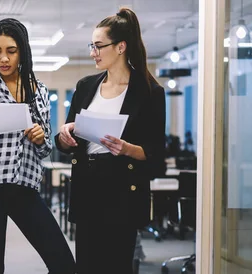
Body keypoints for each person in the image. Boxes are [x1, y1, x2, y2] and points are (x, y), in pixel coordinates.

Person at [55, 7, 166, 274]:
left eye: (98, 46)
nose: (93, 52)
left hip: (121, 188)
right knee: (87, 265)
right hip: (87, 184)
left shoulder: (150, 92)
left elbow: (156, 155)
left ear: (120, 47)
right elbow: (65, 141)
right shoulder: (85, 86)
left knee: (116, 265)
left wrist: (128, 149)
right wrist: (64, 135)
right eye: (91, 46)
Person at [0, 18, 76, 274]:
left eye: (11, 51)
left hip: (25, 188)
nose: (3, 58)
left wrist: (40, 138)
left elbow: (46, 148)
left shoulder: (40, 92)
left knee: (63, 264)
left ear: (22, 51)